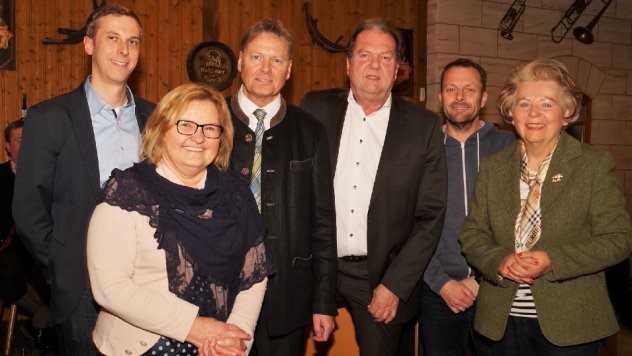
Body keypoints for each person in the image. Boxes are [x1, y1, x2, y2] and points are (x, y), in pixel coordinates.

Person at [460, 58, 632, 355]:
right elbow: (472, 234)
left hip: (572, 324)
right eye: (524, 104)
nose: (534, 114)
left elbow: (618, 240)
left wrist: (553, 259)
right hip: (500, 322)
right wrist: (499, 261)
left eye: (546, 104)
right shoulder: (493, 168)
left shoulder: (592, 165)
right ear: (511, 113)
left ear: (566, 112)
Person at [86, 82, 274, 356]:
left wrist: (236, 336)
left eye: (210, 128)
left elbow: (254, 271)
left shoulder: (236, 194)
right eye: (185, 125)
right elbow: (110, 288)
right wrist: (194, 327)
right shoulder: (127, 193)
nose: (198, 137)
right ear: (161, 130)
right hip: (142, 348)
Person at [12, 5, 155, 354]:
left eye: (132, 41)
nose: (124, 49)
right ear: (89, 45)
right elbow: (29, 210)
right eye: (112, 38)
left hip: (150, 283)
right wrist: (62, 268)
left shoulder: (157, 118)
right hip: (82, 289)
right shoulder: (50, 118)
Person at [301, 18, 447, 355]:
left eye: (386, 57)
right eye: (365, 55)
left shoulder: (423, 127)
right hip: (317, 263)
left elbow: (430, 215)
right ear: (348, 63)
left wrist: (395, 284)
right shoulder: (314, 108)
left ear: (397, 69)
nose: (374, 65)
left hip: (380, 274)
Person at [228, 19, 337, 356]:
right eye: (257, 57)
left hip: (288, 295)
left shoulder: (311, 131)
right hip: (219, 291)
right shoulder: (209, 118)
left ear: (288, 70)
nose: (265, 69)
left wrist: (324, 301)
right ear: (240, 61)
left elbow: (323, 223)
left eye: (276, 61)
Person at [418, 58, 515, 356]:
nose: (459, 98)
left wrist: (482, 280)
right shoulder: (421, 148)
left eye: (469, 90)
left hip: (498, 288)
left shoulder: (510, 146)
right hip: (437, 290)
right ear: (440, 97)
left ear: (483, 97)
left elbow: (522, 219)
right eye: (451, 89)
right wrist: (441, 281)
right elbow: (408, 224)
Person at [0, 119, 52, 350]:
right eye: (21, 140)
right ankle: (41, 314)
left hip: (45, 242)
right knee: (6, 272)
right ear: (8, 146)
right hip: (10, 245)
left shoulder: (50, 175)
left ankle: (47, 325)